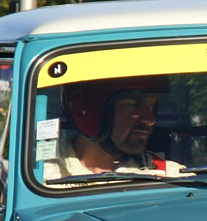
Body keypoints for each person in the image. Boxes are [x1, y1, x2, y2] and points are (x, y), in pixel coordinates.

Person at [42, 76, 184, 180]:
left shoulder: (170, 176)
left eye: (152, 106)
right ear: (91, 111)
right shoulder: (43, 178)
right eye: (132, 105)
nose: (150, 120)